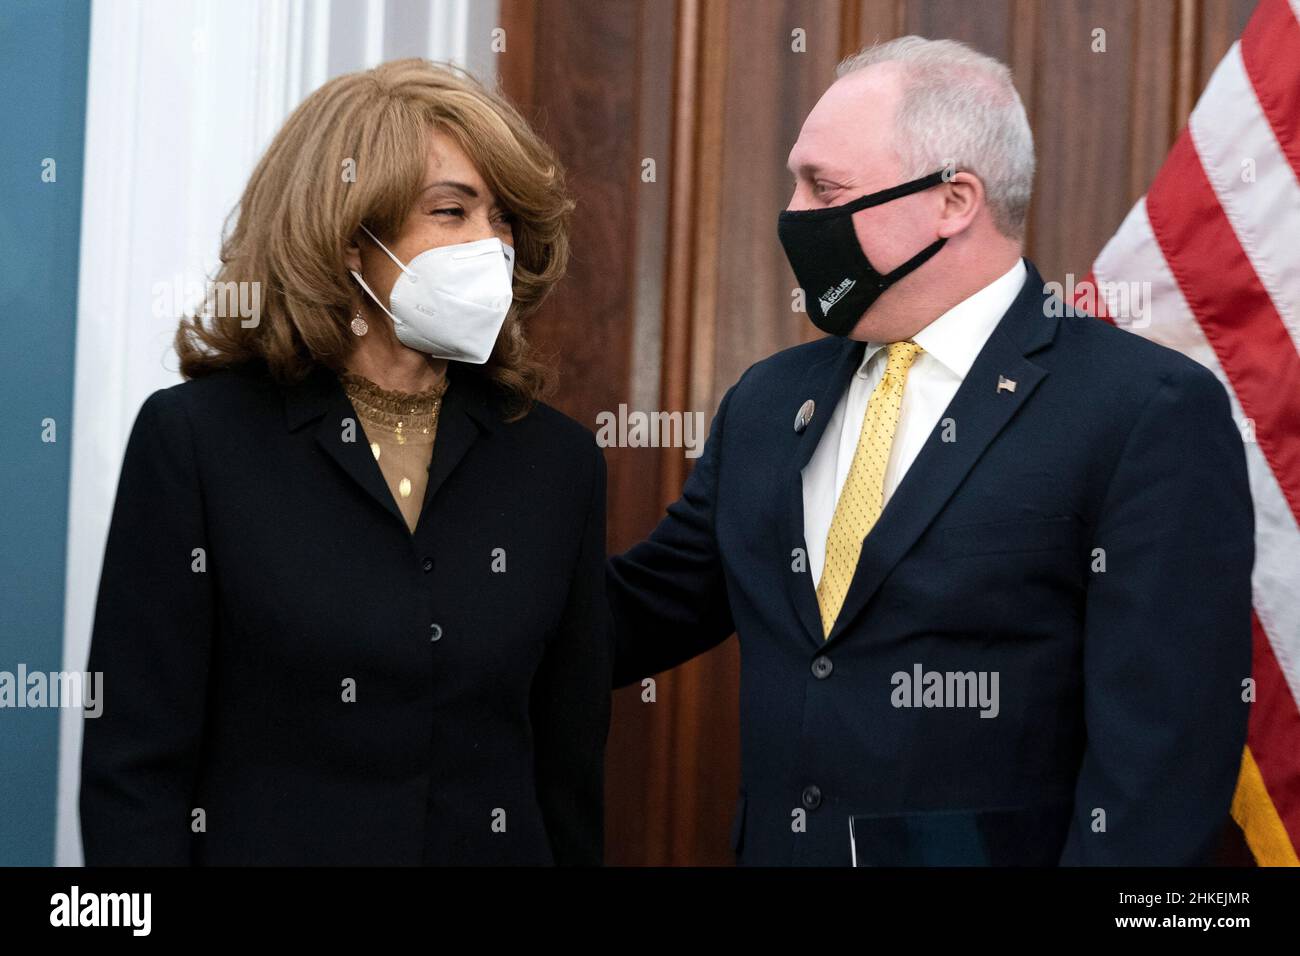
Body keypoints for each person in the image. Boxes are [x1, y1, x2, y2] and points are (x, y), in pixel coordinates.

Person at [608, 36, 1253, 866]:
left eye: (823, 186)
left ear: (954, 200)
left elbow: (1165, 763)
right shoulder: (768, 402)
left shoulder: (1143, 410)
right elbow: (640, 614)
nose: (795, 213)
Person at [80, 59, 610, 866]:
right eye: (451, 211)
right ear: (347, 235)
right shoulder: (196, 442)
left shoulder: (556, 461)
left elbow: (566, 768)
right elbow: (133, 777)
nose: (489, 246)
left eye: (501, 219)